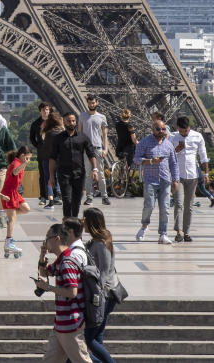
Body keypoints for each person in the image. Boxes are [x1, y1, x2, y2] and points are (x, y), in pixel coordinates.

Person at [33, 223, 91, 363]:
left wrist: (48, 288)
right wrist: (42, 256)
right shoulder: (61, 260)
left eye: (47, 237)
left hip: (71, 323)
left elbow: (72, 292)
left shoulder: (67, 262)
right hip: (61, 323)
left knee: (82, 360)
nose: (45, 241)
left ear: (57, 238)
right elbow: (45, 272)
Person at [82, 208, 124, 363]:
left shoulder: (101, 243)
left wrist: (98, 296)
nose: (82, 222)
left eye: (84, 219)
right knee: (97, 338)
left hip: (104, 295)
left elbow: (105, 272)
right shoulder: (96, 240)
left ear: (91, 221)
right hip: (103, 295)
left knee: (88, 340)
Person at [133, 118, 179, 244]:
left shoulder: (169, 145)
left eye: (163, 129)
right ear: (152, 129)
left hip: (165, 180)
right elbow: (136, 159)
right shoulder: (145, 142)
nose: (161, 131)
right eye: (158, 129)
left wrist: (175, 180)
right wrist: (151, 161)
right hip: (150, 180)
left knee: (165, 207)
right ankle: (144, 226)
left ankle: (163, 234)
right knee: (149, 206)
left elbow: (174, 164)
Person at [48, 113, 99, 219]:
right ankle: (67, 224)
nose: (71, 123)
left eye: (73, 121)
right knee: (67, 200)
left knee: (76, 201)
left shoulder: (83, 137)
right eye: (68, 121)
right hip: (63, 174)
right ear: (64, 122)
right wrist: (51, 176)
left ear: (76, 122)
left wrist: (95, 169)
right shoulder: (58, 139)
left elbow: (91, 154)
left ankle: (74, 222)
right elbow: (52, 158)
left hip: (79, 173)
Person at [169, 116, 209, 242]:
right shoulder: (172, 137)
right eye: (181, 131)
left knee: (189, 205)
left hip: (193, 175)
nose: (183, 134)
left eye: (185, 131)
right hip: (178, 175)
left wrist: (206, 174)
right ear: (177, 128)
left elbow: (203, 156)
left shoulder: (197, 136)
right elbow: (167, 156)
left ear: (189, 128)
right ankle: (179, 231)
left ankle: (186, 232)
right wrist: (177, 150)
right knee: (179, 204)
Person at [77, 95, 110, 206]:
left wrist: (105, 149)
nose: (91, 105)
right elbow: (80, 133)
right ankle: (89, 197)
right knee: (88, 174)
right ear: (88, 103)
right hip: (86, 148)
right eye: (90, 103)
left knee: (100, 173)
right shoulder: (82, 116)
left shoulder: (102, 117)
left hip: (97, 148)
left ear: (97, 103)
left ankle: (104, 196)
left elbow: (105, 135)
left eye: (93, 103)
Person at [1, 145, 32, 258]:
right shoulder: (16, 163)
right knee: (12, 220)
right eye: (28, 158)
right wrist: (24, 164)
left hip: (14, 193)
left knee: (26, 208)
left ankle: (4, 214)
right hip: (8, 193)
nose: (28, 160)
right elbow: (14, 172)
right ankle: (9, 242)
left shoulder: (19, 162)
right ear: (23, 156)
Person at [41, 111, 64, 208]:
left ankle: (50, 200)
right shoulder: (62, 132)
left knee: (48, 178)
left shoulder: (47, 132)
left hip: (47, 158)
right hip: (58, 158)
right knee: (57, 176)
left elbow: (42, 140)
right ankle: (58, 195)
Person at [30, 102, 52, 205]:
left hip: (53, 152)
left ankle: (55, 195)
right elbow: (31, 138)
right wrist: (38, 146)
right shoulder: (36, 124)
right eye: (43, 110)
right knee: (43, 175)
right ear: (40, 111)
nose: (45, 111)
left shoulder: (53, 122)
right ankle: (43, 195)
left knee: (53, 174)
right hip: (42, 153)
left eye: (47, 109)